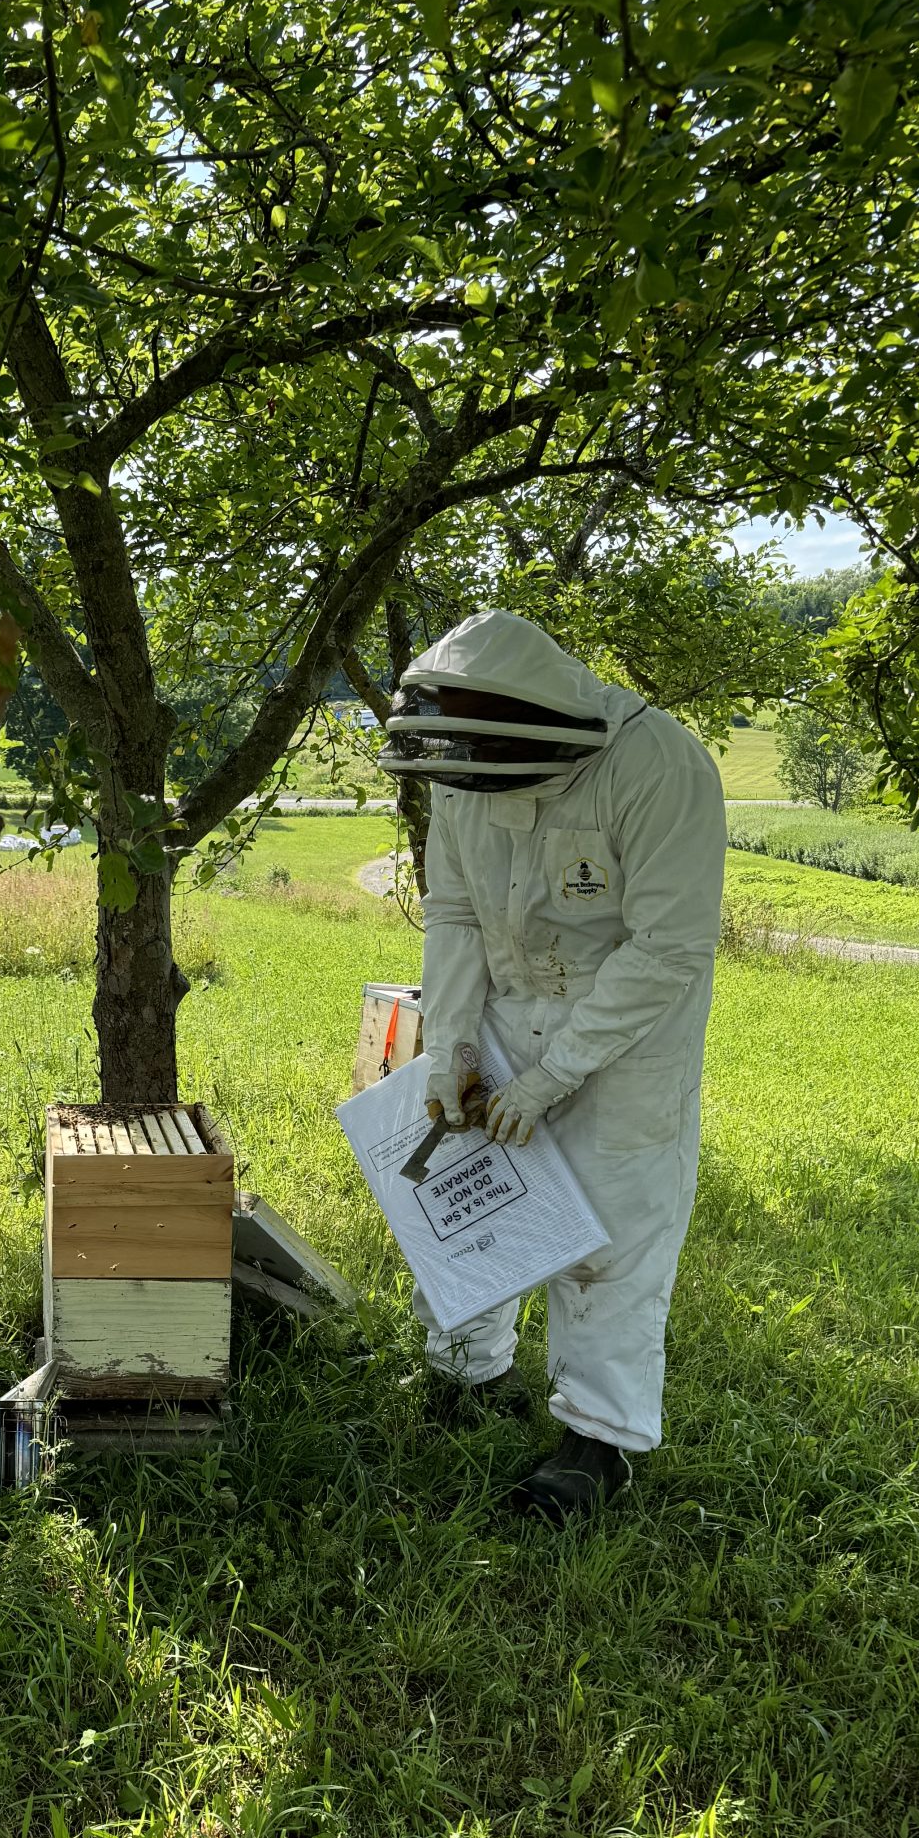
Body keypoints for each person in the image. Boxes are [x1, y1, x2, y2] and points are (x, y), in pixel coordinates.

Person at [381, 609, 725, 1520]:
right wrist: (451, 1055)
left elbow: (669, 948)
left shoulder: (660, 767)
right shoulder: (463, 772)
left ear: (523, 713)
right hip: (499, 1018)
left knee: (612, 1241)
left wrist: (552, 1075)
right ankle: (467, 1373)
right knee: (468, 1199)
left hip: (627, 1042)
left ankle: (596, 1444)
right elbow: (453, 915)